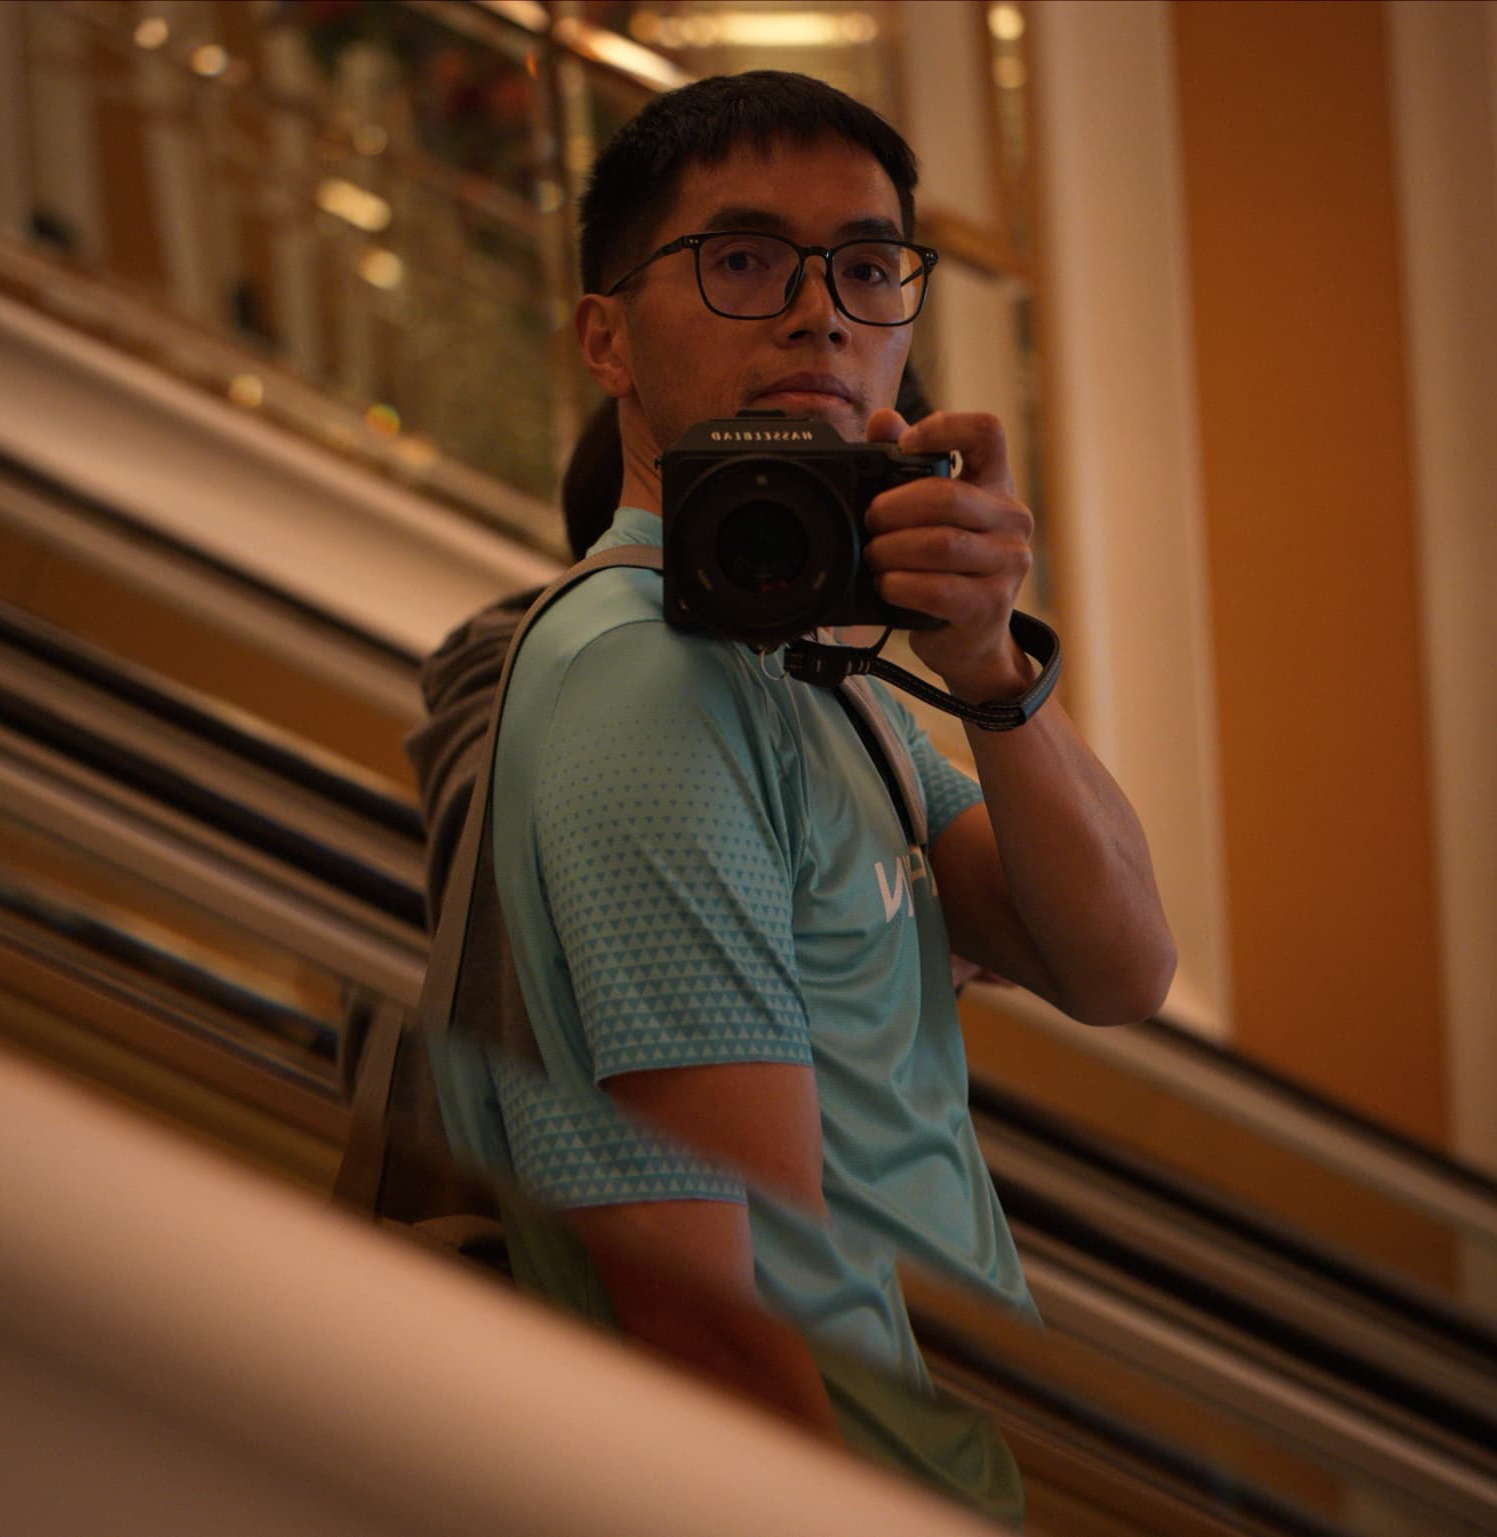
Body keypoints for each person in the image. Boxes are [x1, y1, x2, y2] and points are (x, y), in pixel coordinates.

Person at [427, 70, 1174, 1520]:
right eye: (747, 258)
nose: (823, 310)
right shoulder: (652, 681)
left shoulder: (817, 670)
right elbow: (704, 1302)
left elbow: (1119, 958)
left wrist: (987, 657)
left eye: (871, 264)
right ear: (607, 335)